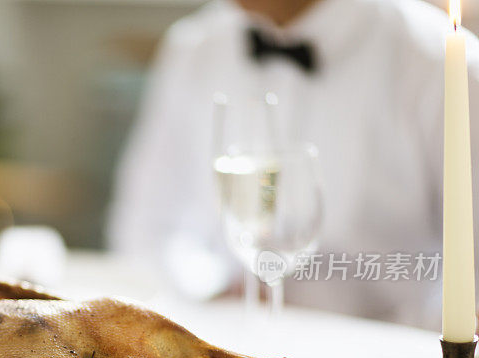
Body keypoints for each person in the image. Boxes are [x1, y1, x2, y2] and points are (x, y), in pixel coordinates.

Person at [108, 0, 479, 329]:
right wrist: (208, 291)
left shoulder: (440, 63)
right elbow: (144, 224)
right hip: (228, 345)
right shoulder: (194, 47)